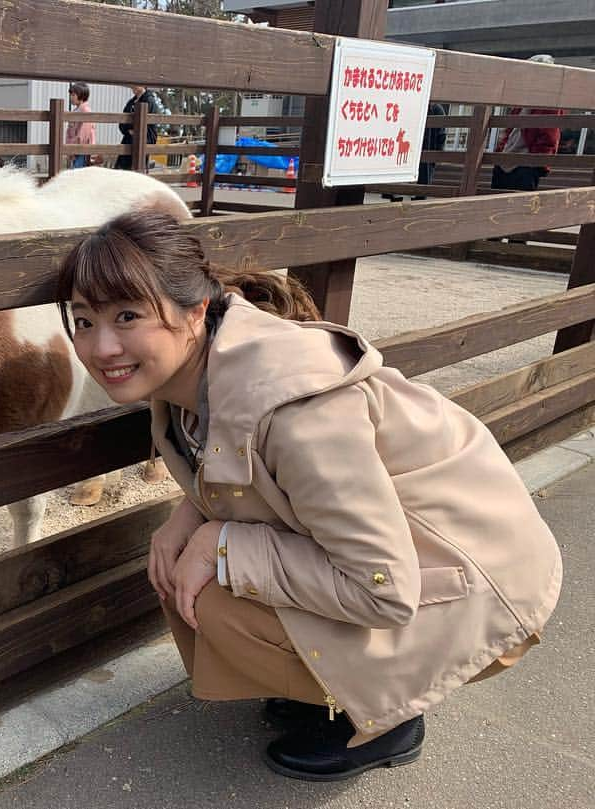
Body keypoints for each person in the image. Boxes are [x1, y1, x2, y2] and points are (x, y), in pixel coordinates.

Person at [56, 211, 561, 781]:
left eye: (128, 316)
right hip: (419, 558)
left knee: (218, 590)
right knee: (185, 563)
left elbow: (386, 591)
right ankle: (332, 687)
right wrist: (187, 517)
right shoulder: (197, 376)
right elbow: (242, 462)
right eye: (82, 320)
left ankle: (389, 718)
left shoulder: (297, 412)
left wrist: (221, 543)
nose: (101, 347)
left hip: (479, 583)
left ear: (195, 311)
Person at [491, 55, 565, 191]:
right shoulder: (521, 102)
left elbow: (550, 138)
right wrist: (500, 153)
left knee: (519, 207)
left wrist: (534, 162)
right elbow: (509, 131)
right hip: (505, 162)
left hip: (525, 166)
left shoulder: (550, 104)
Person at [115, 85, 165, 170]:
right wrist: (129, 130)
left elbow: (148, 125)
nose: (132, 87)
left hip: (143, 140)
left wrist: (135, 130)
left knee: (138, 167)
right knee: (123, 168)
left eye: (136, 85)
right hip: (128, 139)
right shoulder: (131, 102)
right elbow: (122, 124)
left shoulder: (149, 101)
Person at [66, 82, 96, 169]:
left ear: (81, 95)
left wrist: (73, 146)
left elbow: (83, 135)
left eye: (73, 95)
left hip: (82, 150)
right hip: (76, 149)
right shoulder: (77, 110)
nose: (70, 97)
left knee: (78, 174)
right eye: (70, 95)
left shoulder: (85, 111)